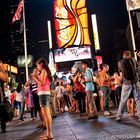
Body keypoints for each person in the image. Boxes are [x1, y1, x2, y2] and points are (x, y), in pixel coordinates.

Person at [115, 50, 140, 121]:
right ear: (129, 55)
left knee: (123, 100)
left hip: (126, 83)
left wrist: (118, 79)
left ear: (123, 55)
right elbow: (137, 70)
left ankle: (119, 117)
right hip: (135, 82)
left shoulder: (120, 63)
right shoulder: (133, 59)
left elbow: (121, 75)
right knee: (138, 100)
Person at [33, 58, 53, 139]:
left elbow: (41, 83)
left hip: (44, 94)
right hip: (43, 94)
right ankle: (48, 133)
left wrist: (35, 78)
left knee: (46, 115)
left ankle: (49, 134)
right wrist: (36, 77)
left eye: (38, 65)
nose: (37, 67)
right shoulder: (43, 72)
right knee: (46, 115)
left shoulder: (44, 70)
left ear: (41, 64)